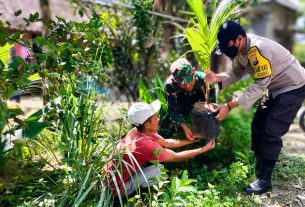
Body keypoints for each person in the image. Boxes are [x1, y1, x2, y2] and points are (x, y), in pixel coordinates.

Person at [205, 20, 305, 195]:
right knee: (258, 124)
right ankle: (259, 168)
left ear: (239, 39)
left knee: (271, 131)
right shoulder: (241, 50)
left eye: (228, 45)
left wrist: (229, 106)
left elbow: (259, 86)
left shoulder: (258, 50)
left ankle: (265, 180)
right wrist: (217, 77)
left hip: (292, 87)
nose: (228, 51)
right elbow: (237, 73)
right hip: (275, 87)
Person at [105, 99, 215, 197]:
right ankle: (140, 198)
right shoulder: (144, 145)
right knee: (159, 172)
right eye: (155, 117)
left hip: (108, 180)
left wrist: (189, 140)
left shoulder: (137, 131)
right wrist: (203, 149)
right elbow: (175, 157)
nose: (158, 118)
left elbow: (166, 142)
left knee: (152, 168)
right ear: (147, 125)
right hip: (115, 190)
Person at [159, 58, 216, 140]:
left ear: (193, 71)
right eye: (183, 83)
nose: (188, 86)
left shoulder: (206, 81)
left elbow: (212, 105)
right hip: (180, 106)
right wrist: (185, 127)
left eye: (189, 81)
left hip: (199, 106)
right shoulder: (170, 85)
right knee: (166, 126)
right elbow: (172, 110)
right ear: (175, 79)